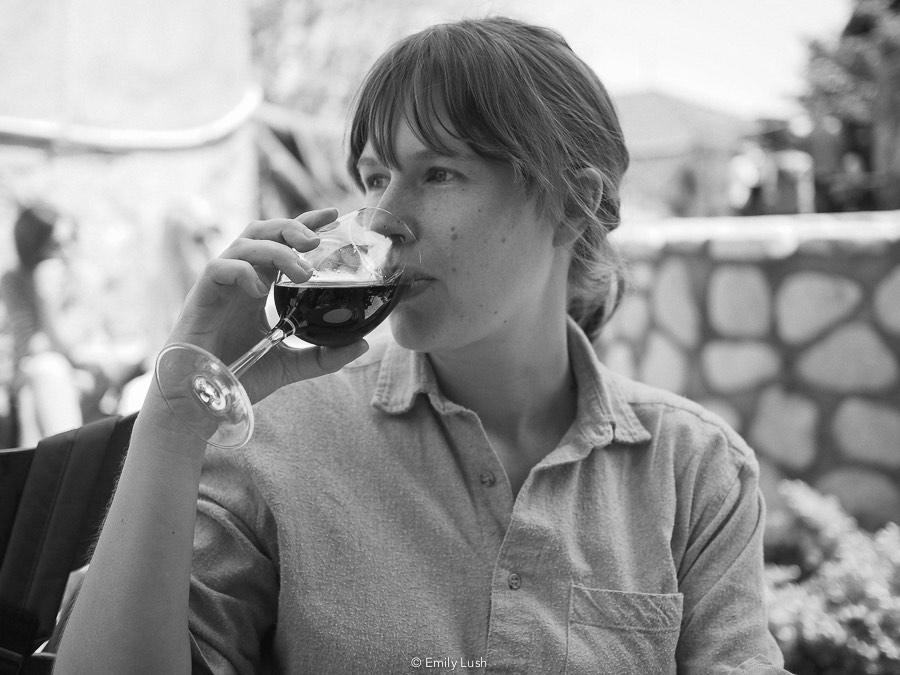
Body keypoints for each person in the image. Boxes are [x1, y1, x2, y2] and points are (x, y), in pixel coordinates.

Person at [55, 17, 788, 674]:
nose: (383, 219)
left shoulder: (695, 471)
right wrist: (178, 414)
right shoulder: (277, 437)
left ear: (575, 204)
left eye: (438, 173)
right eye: (374, 177)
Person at [0, 202, 86, 444]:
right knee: (46, 370)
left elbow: (87, 344)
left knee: (35, 396)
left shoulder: (77, 279)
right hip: (38, 371)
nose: (66, 251)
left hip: (71, 371)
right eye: (56, 244)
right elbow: (31, 346)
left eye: (70, 240)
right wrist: (45, 299)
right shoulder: (14, 281)